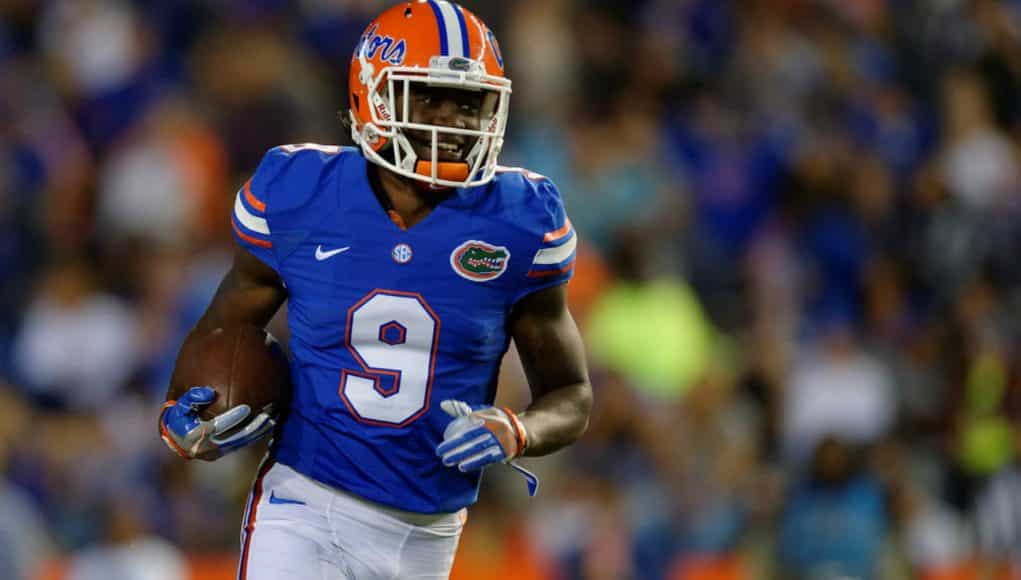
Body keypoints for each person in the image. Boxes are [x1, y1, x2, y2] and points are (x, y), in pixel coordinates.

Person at [157, 2, 593, 578]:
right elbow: (225, 326)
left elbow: (571, 396)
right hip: (304, 503)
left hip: (429, 533)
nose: (454, 121)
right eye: (431, 98)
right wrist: (183, 412)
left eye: (469, 103)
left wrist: (517, 430)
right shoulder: (301, 191)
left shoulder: (519, 221)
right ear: (375, 96)